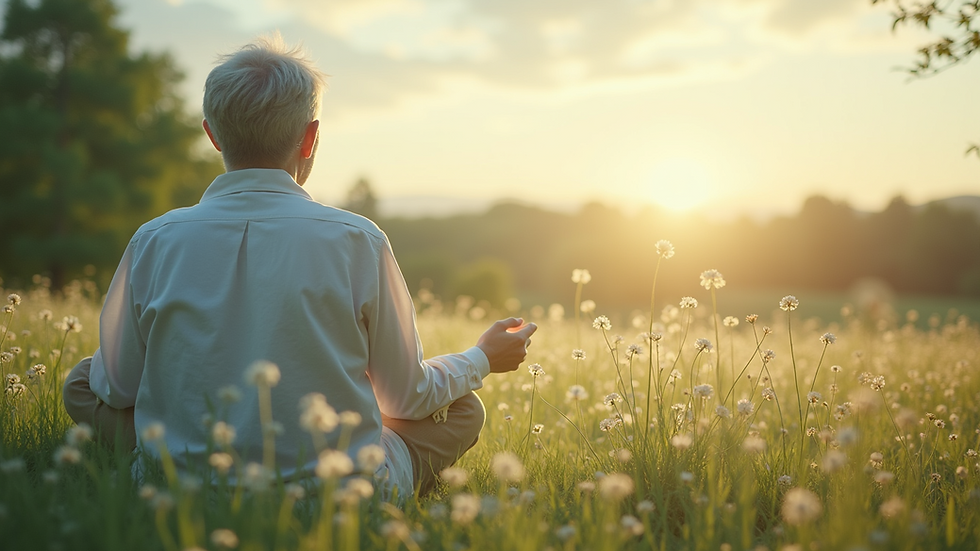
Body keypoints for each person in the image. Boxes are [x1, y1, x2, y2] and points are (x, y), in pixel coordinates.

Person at [62, 35, 537, 498]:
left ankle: (177, 470)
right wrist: (481, 359)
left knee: (82, 382)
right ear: (310, 138)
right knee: (461, 409)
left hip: (179, 489)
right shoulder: (359, 240)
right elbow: (406, 398)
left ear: (211, 134)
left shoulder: (154, 240)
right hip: (338, 491)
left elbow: (117, 388)